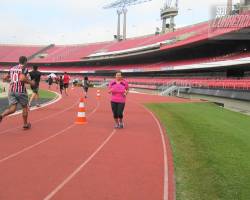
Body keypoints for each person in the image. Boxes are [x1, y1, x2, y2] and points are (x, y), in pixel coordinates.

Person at [0, 56, 35, 129]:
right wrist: (31, 82)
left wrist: (11, 81)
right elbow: (22, 79)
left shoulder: (12, 68)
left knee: (12, 109)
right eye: (26, 62)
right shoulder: (24, 69)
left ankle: (2, 115)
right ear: (25, 61)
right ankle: (25, 124)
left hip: (11, 90)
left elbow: (5, 78)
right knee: (24, 107)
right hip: (20, 91)